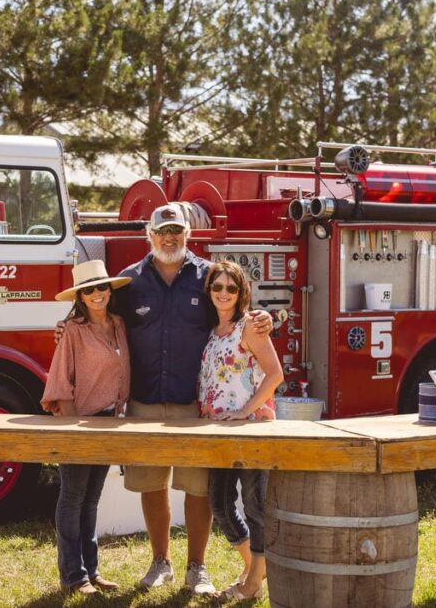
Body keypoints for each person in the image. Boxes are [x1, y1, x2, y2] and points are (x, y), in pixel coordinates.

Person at [111, 203, 273, 593]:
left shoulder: (207, 277)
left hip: (194, 405)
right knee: (152, 484)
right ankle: (160, 562)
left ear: (188, 234)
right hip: (144, 400)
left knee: (197, 488)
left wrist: (265, 316)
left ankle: (196, 568)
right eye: (162, 231)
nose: (169, 238)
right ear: (149, 235)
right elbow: (102, 322)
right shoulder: (129, 281)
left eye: (176, 231)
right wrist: (68, 327)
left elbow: (234, 309)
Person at [41, 260, 132, 595]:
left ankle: (91, 571)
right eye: (89, 290)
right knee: (73, 496)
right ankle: (73, 576)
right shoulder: (73, 330)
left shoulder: (119, 324)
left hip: (109, 421)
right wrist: (72, 429)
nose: (97, 294)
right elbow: (60, 380)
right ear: (80, 296)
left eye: (101, 287)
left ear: (110, 290)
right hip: (79, 420)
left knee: (92, 498)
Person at [198, 260, 283, 601]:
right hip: (219, 432)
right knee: (219, 503)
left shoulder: (250, 326)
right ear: (209, 291)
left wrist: (245, 412)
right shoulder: (212, 331)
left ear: (241, 292)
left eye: (231, 288)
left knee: (255, 506)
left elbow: (275, 374)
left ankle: (252, 583)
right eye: (217, 286)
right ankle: (254, 570)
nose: (224, 293)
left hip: (251, 430)